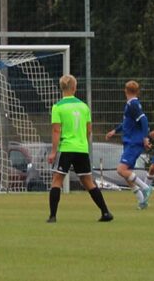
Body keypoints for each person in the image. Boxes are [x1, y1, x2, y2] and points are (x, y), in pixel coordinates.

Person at [47, 74, 113, 223]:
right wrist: (82, 141)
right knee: (88, 181)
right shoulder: (84, 107)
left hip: (66, 148)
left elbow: (56, 131)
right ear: (75, 88)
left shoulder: (57, 107)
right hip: (82, 148)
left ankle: (52, 216)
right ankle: (106, 212)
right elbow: (89, 130)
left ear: (61, 88)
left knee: (57, 180)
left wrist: (53, 152)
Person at [105, 80, 153, 209]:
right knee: (127, 174)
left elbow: (144, 120)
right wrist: (115, 131)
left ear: (125, 91)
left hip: (133, 143)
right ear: (137, 91)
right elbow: (127, 123)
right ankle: (142, 201)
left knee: (121, 170)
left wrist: (144, 138)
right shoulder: (130, 104)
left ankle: (146, 188)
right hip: (129, 142)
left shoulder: (133, 104)